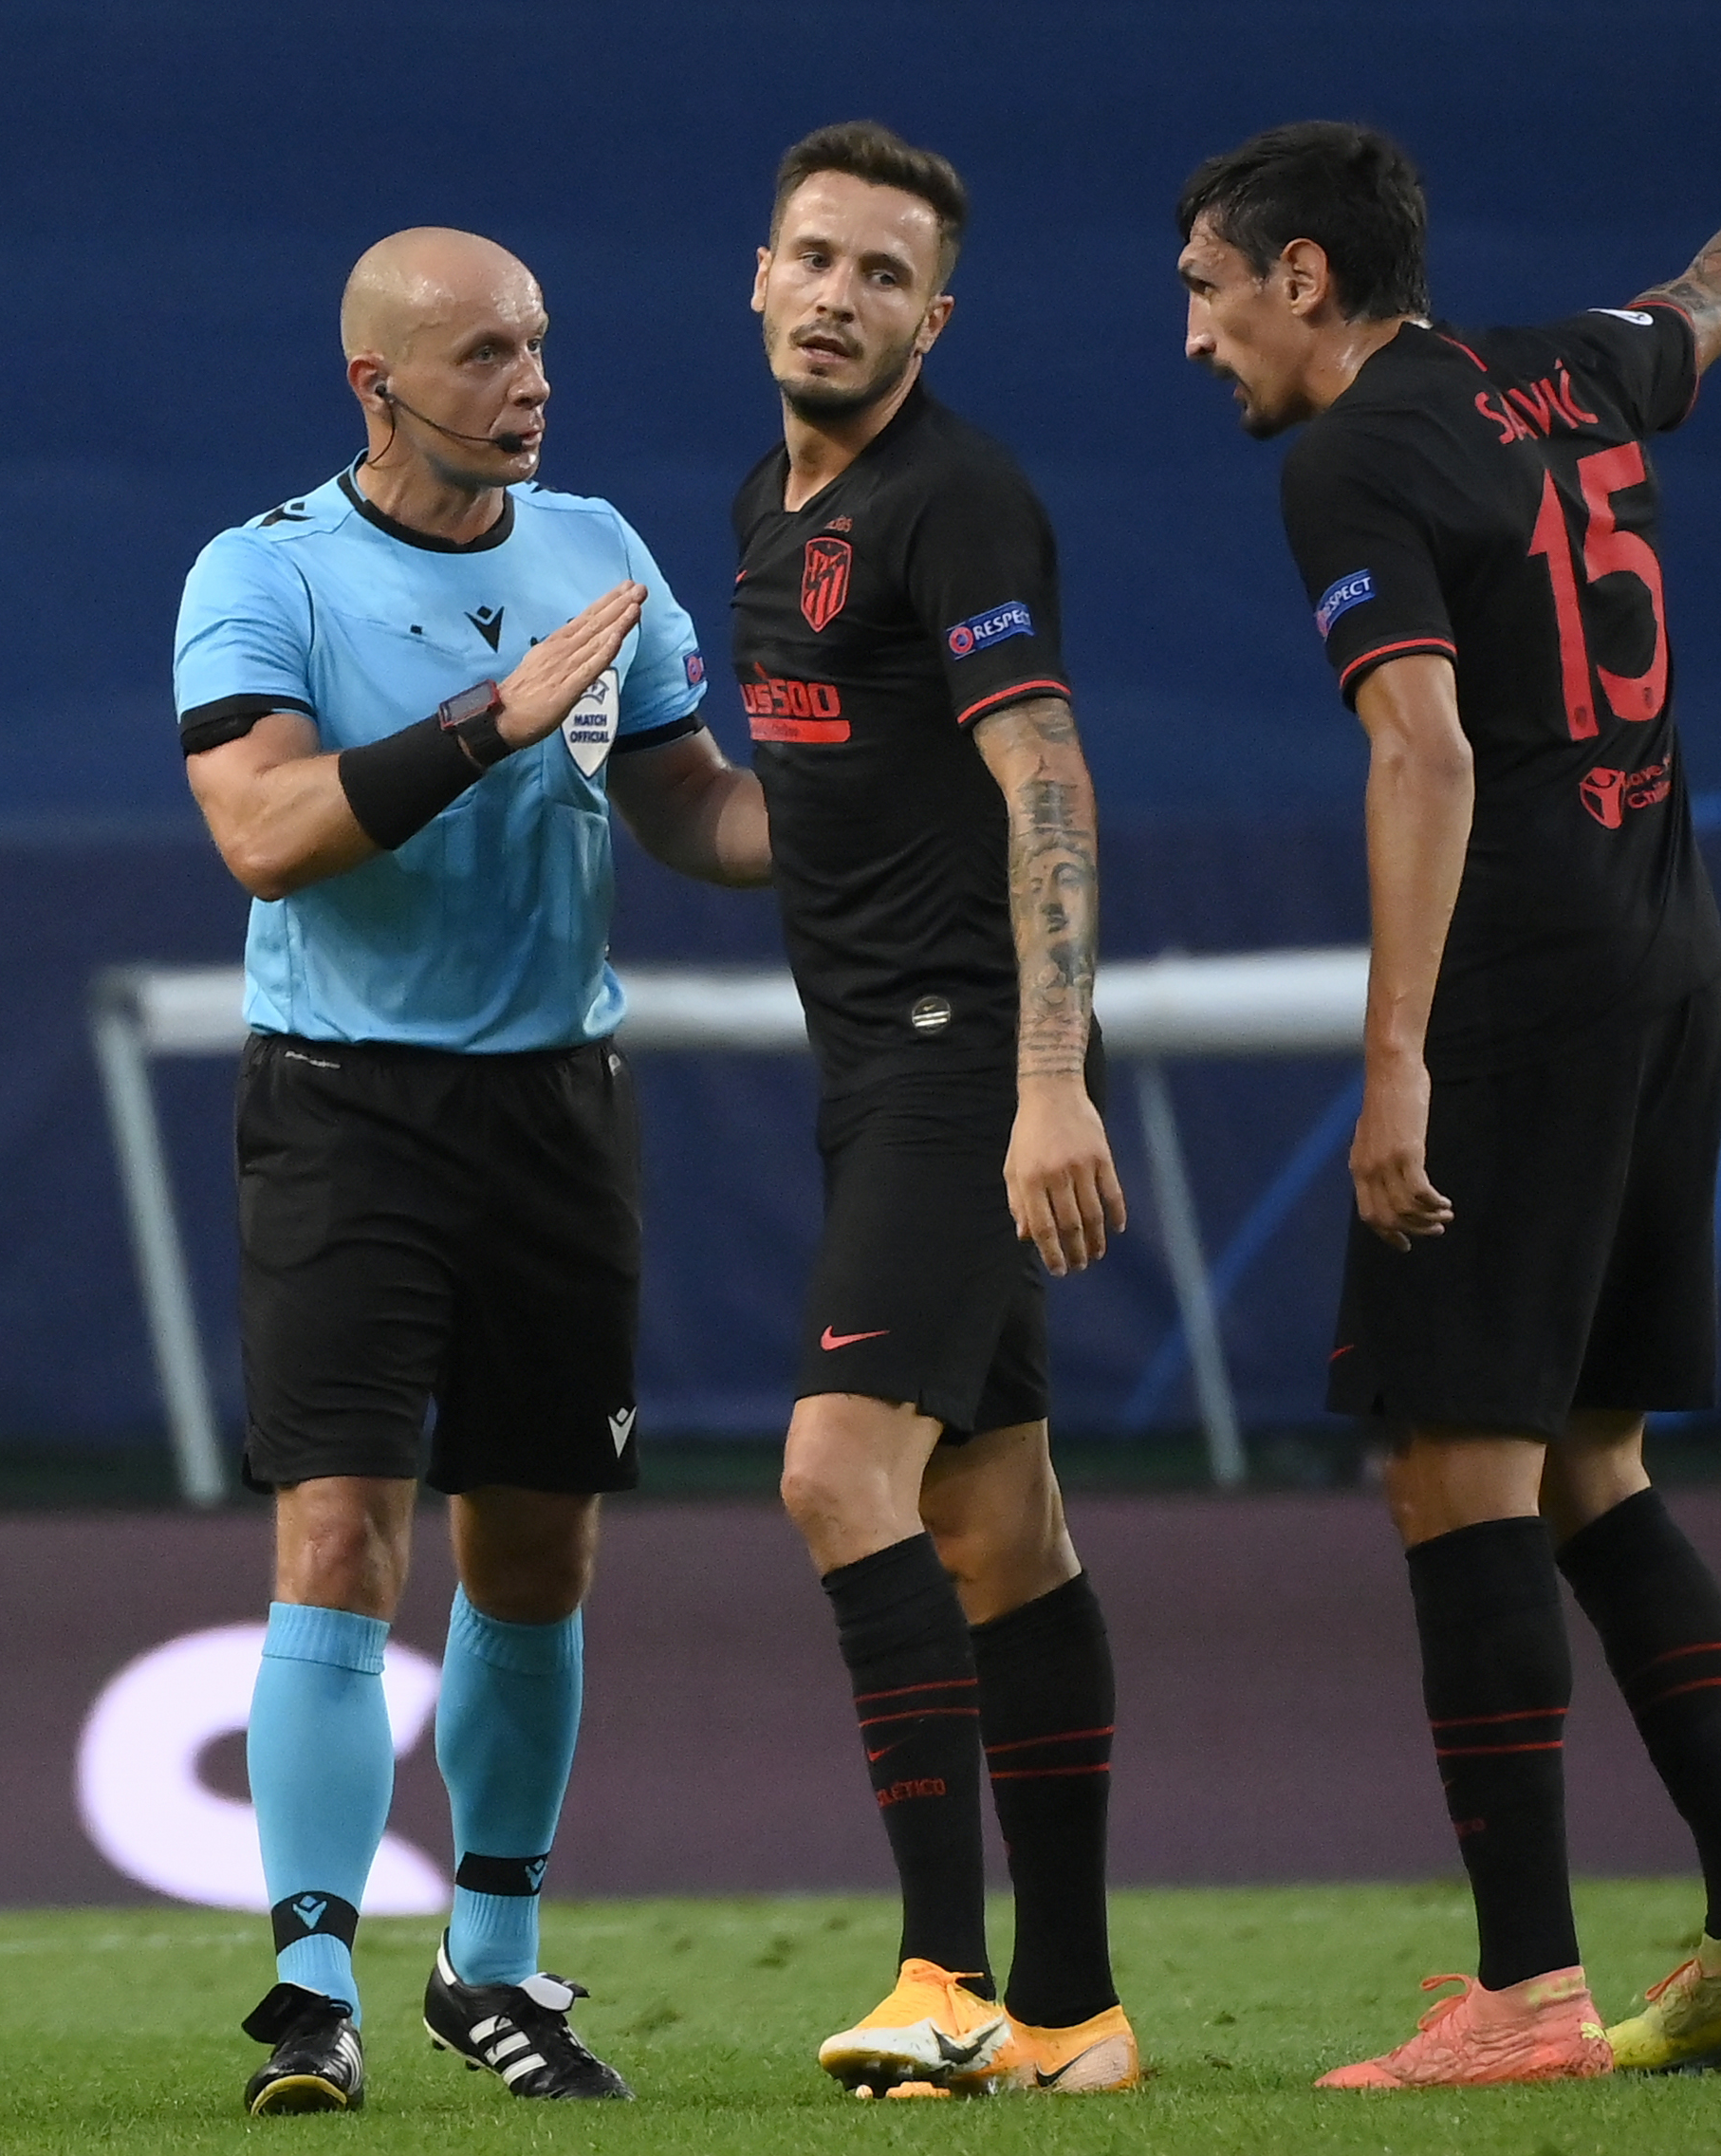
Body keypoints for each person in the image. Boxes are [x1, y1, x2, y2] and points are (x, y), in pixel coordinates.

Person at [1177, 92, 1721, 2087]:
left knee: (1454, 1468)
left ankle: (1523, 1991)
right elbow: (1714, 294)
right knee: (1593, 1461)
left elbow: (1422, 754)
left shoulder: (1351, 456)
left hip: (1519, 996)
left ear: (1303, 276)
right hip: (1670, 959)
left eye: (1208, 289)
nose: (1193, 335)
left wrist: (1393, 1061)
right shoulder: (1565, 372)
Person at [175, 226, 768, 2115]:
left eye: (539, 345)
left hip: (554, 1108)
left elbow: (688, 804)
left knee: (533, 1545)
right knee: (340, 1528)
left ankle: (491, 1960)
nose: (532, 384)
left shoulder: (597, 547)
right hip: (346, 1105)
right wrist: (479, 723)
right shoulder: (264, 570)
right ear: (376, 385)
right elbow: (265, 831)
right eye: (487, 354)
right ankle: (310, 1983)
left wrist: (853, 809)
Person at [733, 122, 1137, 2099]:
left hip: (963, 1058)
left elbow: (1042, 775)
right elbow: (795, 810)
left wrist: (1047, 1082)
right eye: (815, 258)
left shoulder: (957, 501)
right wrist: (598, 766)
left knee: (835, 1473)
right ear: (758, 276)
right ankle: (1073, 2011)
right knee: (997, 1523)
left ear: (934, 319)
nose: (838, 297)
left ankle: (942, 1975)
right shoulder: (762, 507)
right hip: (873, 1061)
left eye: (882, 276)